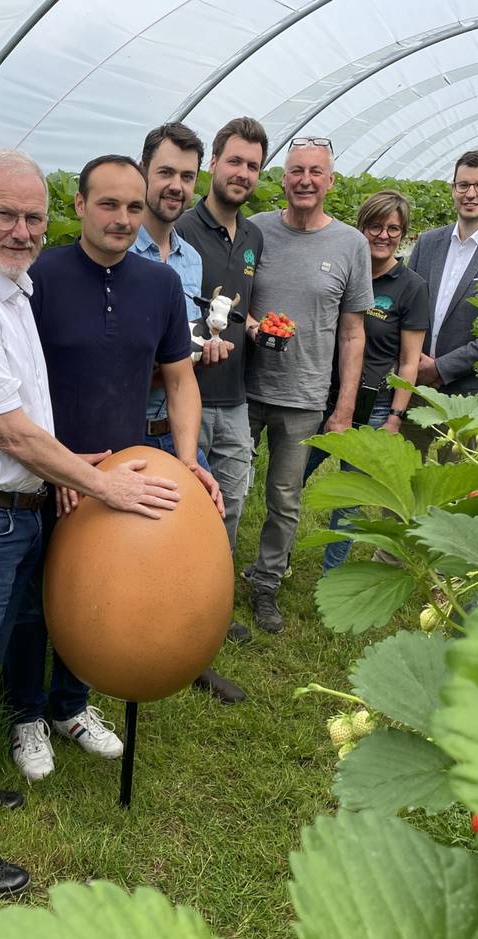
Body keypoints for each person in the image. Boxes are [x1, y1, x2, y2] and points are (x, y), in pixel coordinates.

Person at [0, 149, 181, 896]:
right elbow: (12, 434)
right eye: (7, 214)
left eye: (34, 217)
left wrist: (72, 462)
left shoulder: (12, 288)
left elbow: (29, 416)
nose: (23, 230)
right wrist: (101, 484)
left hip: (9, 512)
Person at [4, 154, 221, 781]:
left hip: (120, 475)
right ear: (78, 205)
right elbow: (15, 384)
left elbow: (180, 381)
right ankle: (26, 713)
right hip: (45, 468)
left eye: (132, 206)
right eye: (108, 204)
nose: (122, 218)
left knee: (97, 593)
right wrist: (58, 467)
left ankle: (71, 706)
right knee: (33, 600)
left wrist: (186, 460)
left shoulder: (159, 285)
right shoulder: (38, 279)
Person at [130, 121, 247, 704]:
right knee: (124, 549)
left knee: (184, 548)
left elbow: (181, 349)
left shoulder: (191, 260)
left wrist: (199, 353)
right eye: (166, 173)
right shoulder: (118, 249)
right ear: (144, 173)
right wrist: (175, 362)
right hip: (126, 430)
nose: (176, 186)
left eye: (186, 175)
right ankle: (116, 648)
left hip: (176, 429)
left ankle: (186, 652)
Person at [242, 136, 372, 633]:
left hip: (304, 397)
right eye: (296, 170)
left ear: (330, 182)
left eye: (316, 172)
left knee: (285, 498)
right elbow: (231, 297)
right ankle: (208, 576)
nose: (305, 180)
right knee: (228, 489)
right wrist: (254, 325)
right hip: (243, 388)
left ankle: (267, 583)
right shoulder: (255, 230)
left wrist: (344, 408)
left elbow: (353, 333)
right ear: (282, 179)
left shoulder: (350, 244)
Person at [174, 116, 267, 642]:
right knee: (184, 508)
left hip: (235, 398)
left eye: (252, 166)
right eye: (234, 161)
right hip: (185, 396)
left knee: (228, 505)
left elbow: (233, 308)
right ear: (212, 163)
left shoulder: (253, 236)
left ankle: (212, 604)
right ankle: (172, 603)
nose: (242, 173)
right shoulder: (183, 230)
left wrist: (256, 328)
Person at [302, 190, 429, 570]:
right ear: (361, 227)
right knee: (292, 478)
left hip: (372, 407)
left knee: (350, 499)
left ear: (404, 234)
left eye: (393, 228)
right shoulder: (343, 270)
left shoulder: (410, 286)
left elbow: (409, 363)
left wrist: (395, 418)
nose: (383, 235)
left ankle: (333, 573)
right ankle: (279, 557)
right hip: (323, 395)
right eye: (375, 226)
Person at [403, 148, 478, 459]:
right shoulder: (428, 243)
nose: (471, 194)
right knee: (403, 470)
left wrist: (441, 368)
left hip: (466, 392)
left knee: (455, 478)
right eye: (463, 185)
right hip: (414, 383)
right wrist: (413, 362)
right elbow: (407, 307)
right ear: (453, 189)